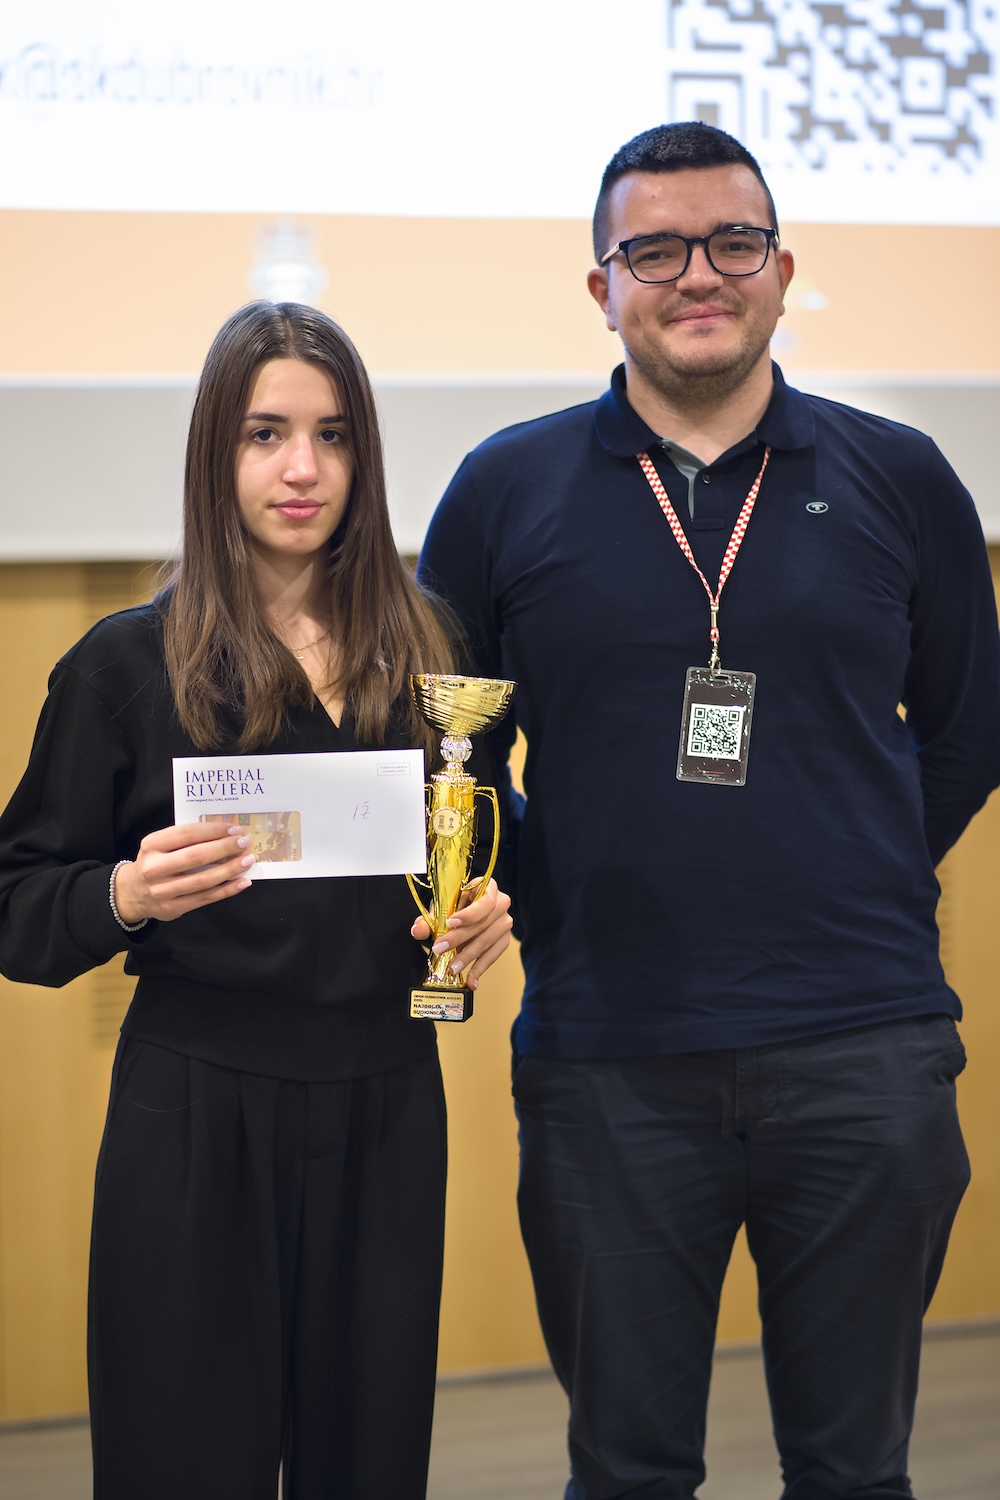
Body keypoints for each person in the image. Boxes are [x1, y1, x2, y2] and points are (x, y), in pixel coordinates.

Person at [418, 122, 1000, 1500]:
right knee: (626, 1472)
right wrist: (548, 892)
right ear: (601, 286)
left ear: (782, 271)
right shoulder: (504, 488)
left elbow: (968, 731)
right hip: (609, 1059)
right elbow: (451, 756)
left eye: (733, 243)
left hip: (863, 1052)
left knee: (855, 1471)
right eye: (655, 250)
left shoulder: (901, 474)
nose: (698, 275)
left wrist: (850, 864)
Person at [0, 300, 512, 1500]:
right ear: (214, 454)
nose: (302, 470)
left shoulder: (433, 649)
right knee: (184, 1464)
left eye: (333, 436)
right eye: (265, 433)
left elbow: (483, 843)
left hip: (388, 1103)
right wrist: (126, 892)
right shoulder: (126, 663)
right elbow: (19, 905)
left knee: (367, 1464)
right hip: (196, 1110)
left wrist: (489, 912)